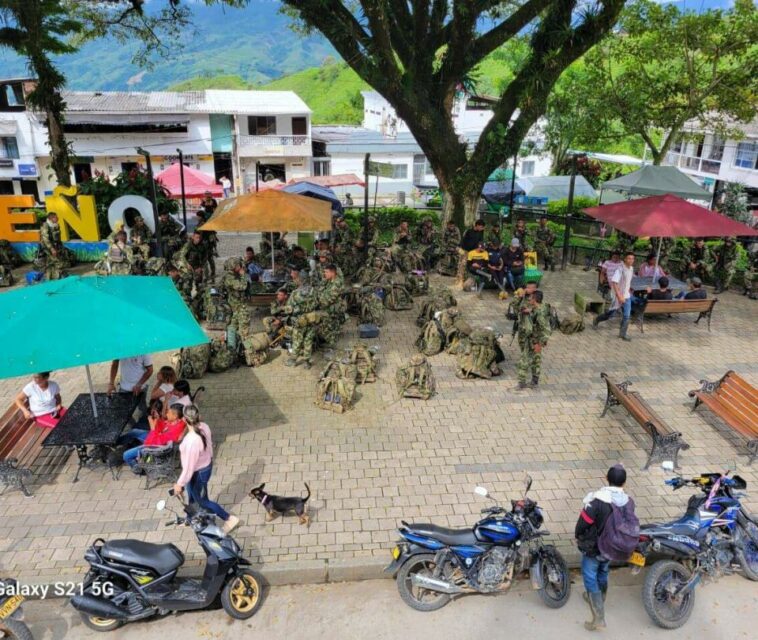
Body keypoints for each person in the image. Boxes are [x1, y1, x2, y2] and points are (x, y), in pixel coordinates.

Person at [575, 464, 631, 631]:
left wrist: (577, 535)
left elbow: (583, 524)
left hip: (594, 548)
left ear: (606, 479)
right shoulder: (628, 502)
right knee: (603, 571)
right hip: (613, 547)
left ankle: (598, 617)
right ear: (624, 483)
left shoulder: (596, 502)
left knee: (590, 576)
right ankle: (602, 596)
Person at [173, 405, 239, 534]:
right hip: (204, 468)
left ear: (184, 420)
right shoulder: (204, 426)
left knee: (203, 500)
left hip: (198, 473)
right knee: (192, 495)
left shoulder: (192, 441)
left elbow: (189, 468)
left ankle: (229, 518)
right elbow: (209, 448)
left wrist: (179, 484)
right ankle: (190, 518)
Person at [123, 402, 186, 469]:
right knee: (135, 432)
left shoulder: (176, 430)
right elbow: (164, 427)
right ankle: (116, 443)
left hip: (155, 448)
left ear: (175, 416)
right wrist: (158, 419)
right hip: (155, 440)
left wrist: (152, 427)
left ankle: (140, 468)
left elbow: (156, 443)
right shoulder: (174, 422)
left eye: (168, 412)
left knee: (126, 455)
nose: (166, 414)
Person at [592, 251, 635, 341]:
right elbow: (614, 283)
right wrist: (619, 296)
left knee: (627, 316)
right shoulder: (620, 269)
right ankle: (597, 319)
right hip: (617, 295)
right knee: (610, 314)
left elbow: (628, 282)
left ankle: (622, 334)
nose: (631, 260)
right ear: (625, 259)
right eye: (629, 258)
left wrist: (629, 290)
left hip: (626, 296)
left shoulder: (631, 269)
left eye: (632, 259)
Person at [515, 290, 551, 389]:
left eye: (531, 298)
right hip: (534, 339)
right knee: (536, 360)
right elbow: (538, 311)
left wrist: (540, 343)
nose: (529, 299)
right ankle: (534, 381)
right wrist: (530, 311)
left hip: (535, 340)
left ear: (534, 300)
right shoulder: (541, 306)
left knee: (525, 360)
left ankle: (521, 383)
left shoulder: (540, 314)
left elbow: (547, 329)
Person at [284, 281, 319, 368]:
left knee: (297, 341)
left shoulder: (295, 293)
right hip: (311, 320)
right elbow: (317, 304)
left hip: (300, 321)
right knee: (308, 341)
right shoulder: (314, 292)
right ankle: (307, 362)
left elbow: (288, 309)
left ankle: (293, 360)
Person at [316, 263, 346, 347]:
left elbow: (329, 300)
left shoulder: (336, 283)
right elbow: (321, 291)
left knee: (321, 319)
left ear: (333, 273)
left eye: (326, 272)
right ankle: (332, 331)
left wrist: (317, 302)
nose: (324, 274)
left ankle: (331, 342)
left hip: (334, 308)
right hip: (330, 306)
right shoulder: (329, 281)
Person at [222, 257, 251, 339]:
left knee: (234, 324)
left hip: (237, 304)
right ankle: (243, 341)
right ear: (234, 266)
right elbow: (242, 286)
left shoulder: (234, 275)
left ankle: (233, 340)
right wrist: (243, 275)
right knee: (244, 322)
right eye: (238, 265)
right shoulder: (229, 278)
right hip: (236, 305)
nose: (240, 267)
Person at [38, 212, 68, 280]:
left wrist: (60, 246)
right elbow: (46, 239)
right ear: (51, 218)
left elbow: (57, 238)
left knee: (50, 263)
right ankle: (63, 276)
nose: (57, 218)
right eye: (55, 217)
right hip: (48, 247)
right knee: (58, 261)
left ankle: (51, 277)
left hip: (55, 245)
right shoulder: (45, 226)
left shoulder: (55, 225)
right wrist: (51, 249)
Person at [458, 219, 485, 284]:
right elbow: (463, 240)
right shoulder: (469, 231)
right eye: (481, 227)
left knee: (471, 266)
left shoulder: (481, 232)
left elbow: (481, 242)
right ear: (477, 225)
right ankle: (460, 280)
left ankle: (468, 280)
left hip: (474, 252)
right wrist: (459, 248)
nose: (482, 229)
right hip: (465, 251)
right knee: (463, 265)